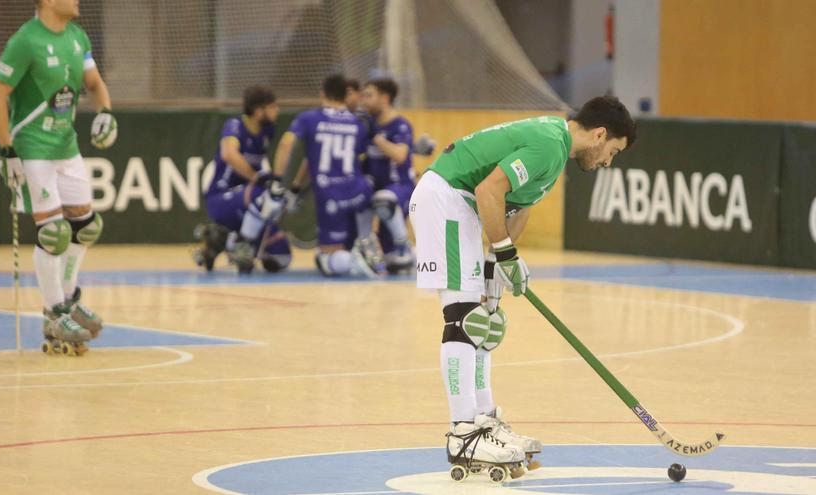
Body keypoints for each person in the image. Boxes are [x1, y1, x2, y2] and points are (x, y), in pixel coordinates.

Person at [409, 96, 636, 474]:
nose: (608, 161)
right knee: (464, 319)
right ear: (599, 135)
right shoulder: (549, 144)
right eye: (612, 151)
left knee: (485, 319)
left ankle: (483, 421)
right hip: (447, 200)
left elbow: (516, 204)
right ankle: (463, 432)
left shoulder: (554, 149)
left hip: (460, 206)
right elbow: (488, 191)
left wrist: (500, 258)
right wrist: (503, 252)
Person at [0, 0, 117, 354]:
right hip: (33, 148)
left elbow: (94, 83)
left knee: (86, 225)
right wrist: (7, 148)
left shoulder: (77, 37)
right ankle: (53, 312)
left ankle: (69, 301)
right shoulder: (25, 41)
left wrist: (105, 112)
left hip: (66, 146)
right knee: (54, 233)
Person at [272, 74, 381, 277]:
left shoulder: (309, 119)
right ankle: (366, 243)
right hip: (359, 190)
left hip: (331, 195)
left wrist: (280, 181)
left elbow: (288, 144)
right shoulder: (357, 123)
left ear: (322, 94)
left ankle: (353, 260)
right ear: (345, 96)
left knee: (326, 259)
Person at [195, 86, 291, 273]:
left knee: (282, 258)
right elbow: (228, 154)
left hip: (248, 201)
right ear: (258, 111)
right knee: (262, 194)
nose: (277, 110)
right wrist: (257, 177)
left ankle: (221, 241)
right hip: (221, 197)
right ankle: (242, 247)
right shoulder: (235, 125)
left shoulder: (268, 130)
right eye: (272, 107)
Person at [360, 78, 417, 273]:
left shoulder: (400, 125)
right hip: (377, 191)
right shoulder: (369, 123)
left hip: (400, 189)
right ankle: (365, 246)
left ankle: (403, 245)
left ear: (384, 98)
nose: (364, 100)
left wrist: (375, 137)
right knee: (393, 263)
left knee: (383, 199)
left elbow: (400, 155)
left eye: (369, 95)